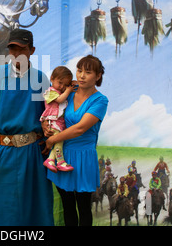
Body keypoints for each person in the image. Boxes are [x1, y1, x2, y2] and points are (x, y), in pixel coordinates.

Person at [0, 28, 53, 226]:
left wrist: (48, 135)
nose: (16, 54)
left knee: (34, 208)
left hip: (33, 152)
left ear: (32, 50)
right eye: (12, 49)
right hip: (4, 151)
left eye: (21, 49)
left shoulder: (41, 79)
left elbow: (51, 111)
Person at [43, 55, 108, 226]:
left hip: (84, 157)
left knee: (84, 207)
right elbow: (52, 112)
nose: (81, 76)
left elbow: (80, 128)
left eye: (88, 72)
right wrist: (45, 126)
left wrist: (53, 139)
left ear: (98, 75)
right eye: (79, 71)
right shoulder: (68, 93)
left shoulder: (100, 101)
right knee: (67, 205)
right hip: (62, 155)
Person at [41, 66, 75, 173]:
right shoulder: (50, 91)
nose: (62, 87)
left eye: (65, 85)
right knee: (59, 142)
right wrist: (68, 90)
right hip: (53, 122)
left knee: (58, 142)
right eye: (60, 83)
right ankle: (60, 162)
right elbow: (60, 100)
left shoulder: (59, 92)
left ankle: (50, 160)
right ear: (52, 78)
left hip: (58, 123)